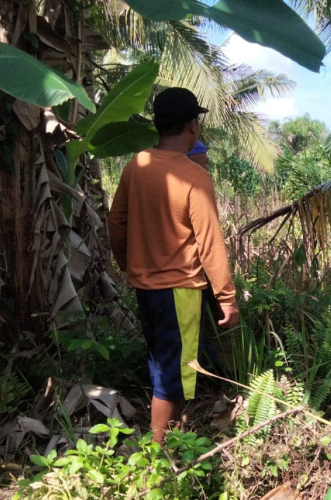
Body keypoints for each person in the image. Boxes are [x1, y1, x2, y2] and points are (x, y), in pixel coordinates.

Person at [108, 87, 239, 443]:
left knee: (163, 362)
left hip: (145, 287)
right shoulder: (194, 176)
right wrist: (226, 297)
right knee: (172, 371)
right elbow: (209, 242)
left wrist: (127, 263)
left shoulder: (137, 165)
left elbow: (116, 221)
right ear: (192, 126)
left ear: (156, 124)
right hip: (179, 289)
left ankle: (173, 435)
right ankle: (158, 453)